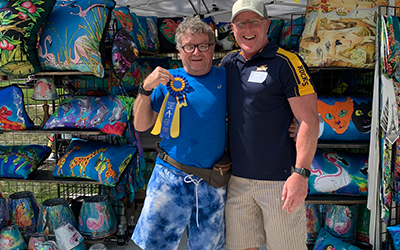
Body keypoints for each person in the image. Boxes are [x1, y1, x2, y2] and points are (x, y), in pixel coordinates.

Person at [221, 0, 319, 250]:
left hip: (280, 182)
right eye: (241, 23)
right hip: (237, 181)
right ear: (232, 29)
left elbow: (309, 120)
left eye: (254, 21)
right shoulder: (228, 64)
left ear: (267, 24)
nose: (248, 28)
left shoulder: (286, 62)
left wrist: (301, 174)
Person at [132, 16, 227, 250]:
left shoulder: (227, 78)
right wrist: (146, 88)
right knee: (155, 246)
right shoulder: (166, 80)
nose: (196, 52)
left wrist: (290, 123)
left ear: (212, 48)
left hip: (212, 183)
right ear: (179, 49)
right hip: (169, 178)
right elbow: (141, 126)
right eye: (189, 46)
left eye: (203, 45)